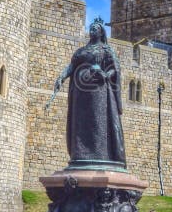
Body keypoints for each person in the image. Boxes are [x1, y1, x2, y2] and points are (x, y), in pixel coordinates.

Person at [48, 17, 125, 170]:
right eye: (91, 29)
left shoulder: (106, 50)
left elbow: (115, 69)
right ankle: (80, 155)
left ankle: (100, 155)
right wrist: (61, 77)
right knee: (80, 123)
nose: (92, 31)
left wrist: (105, 74)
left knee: (98, 123)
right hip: (80, 94)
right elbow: (71, 66)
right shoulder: (81, 51)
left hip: (99, 93)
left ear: (101, 32)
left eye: (95, 29)